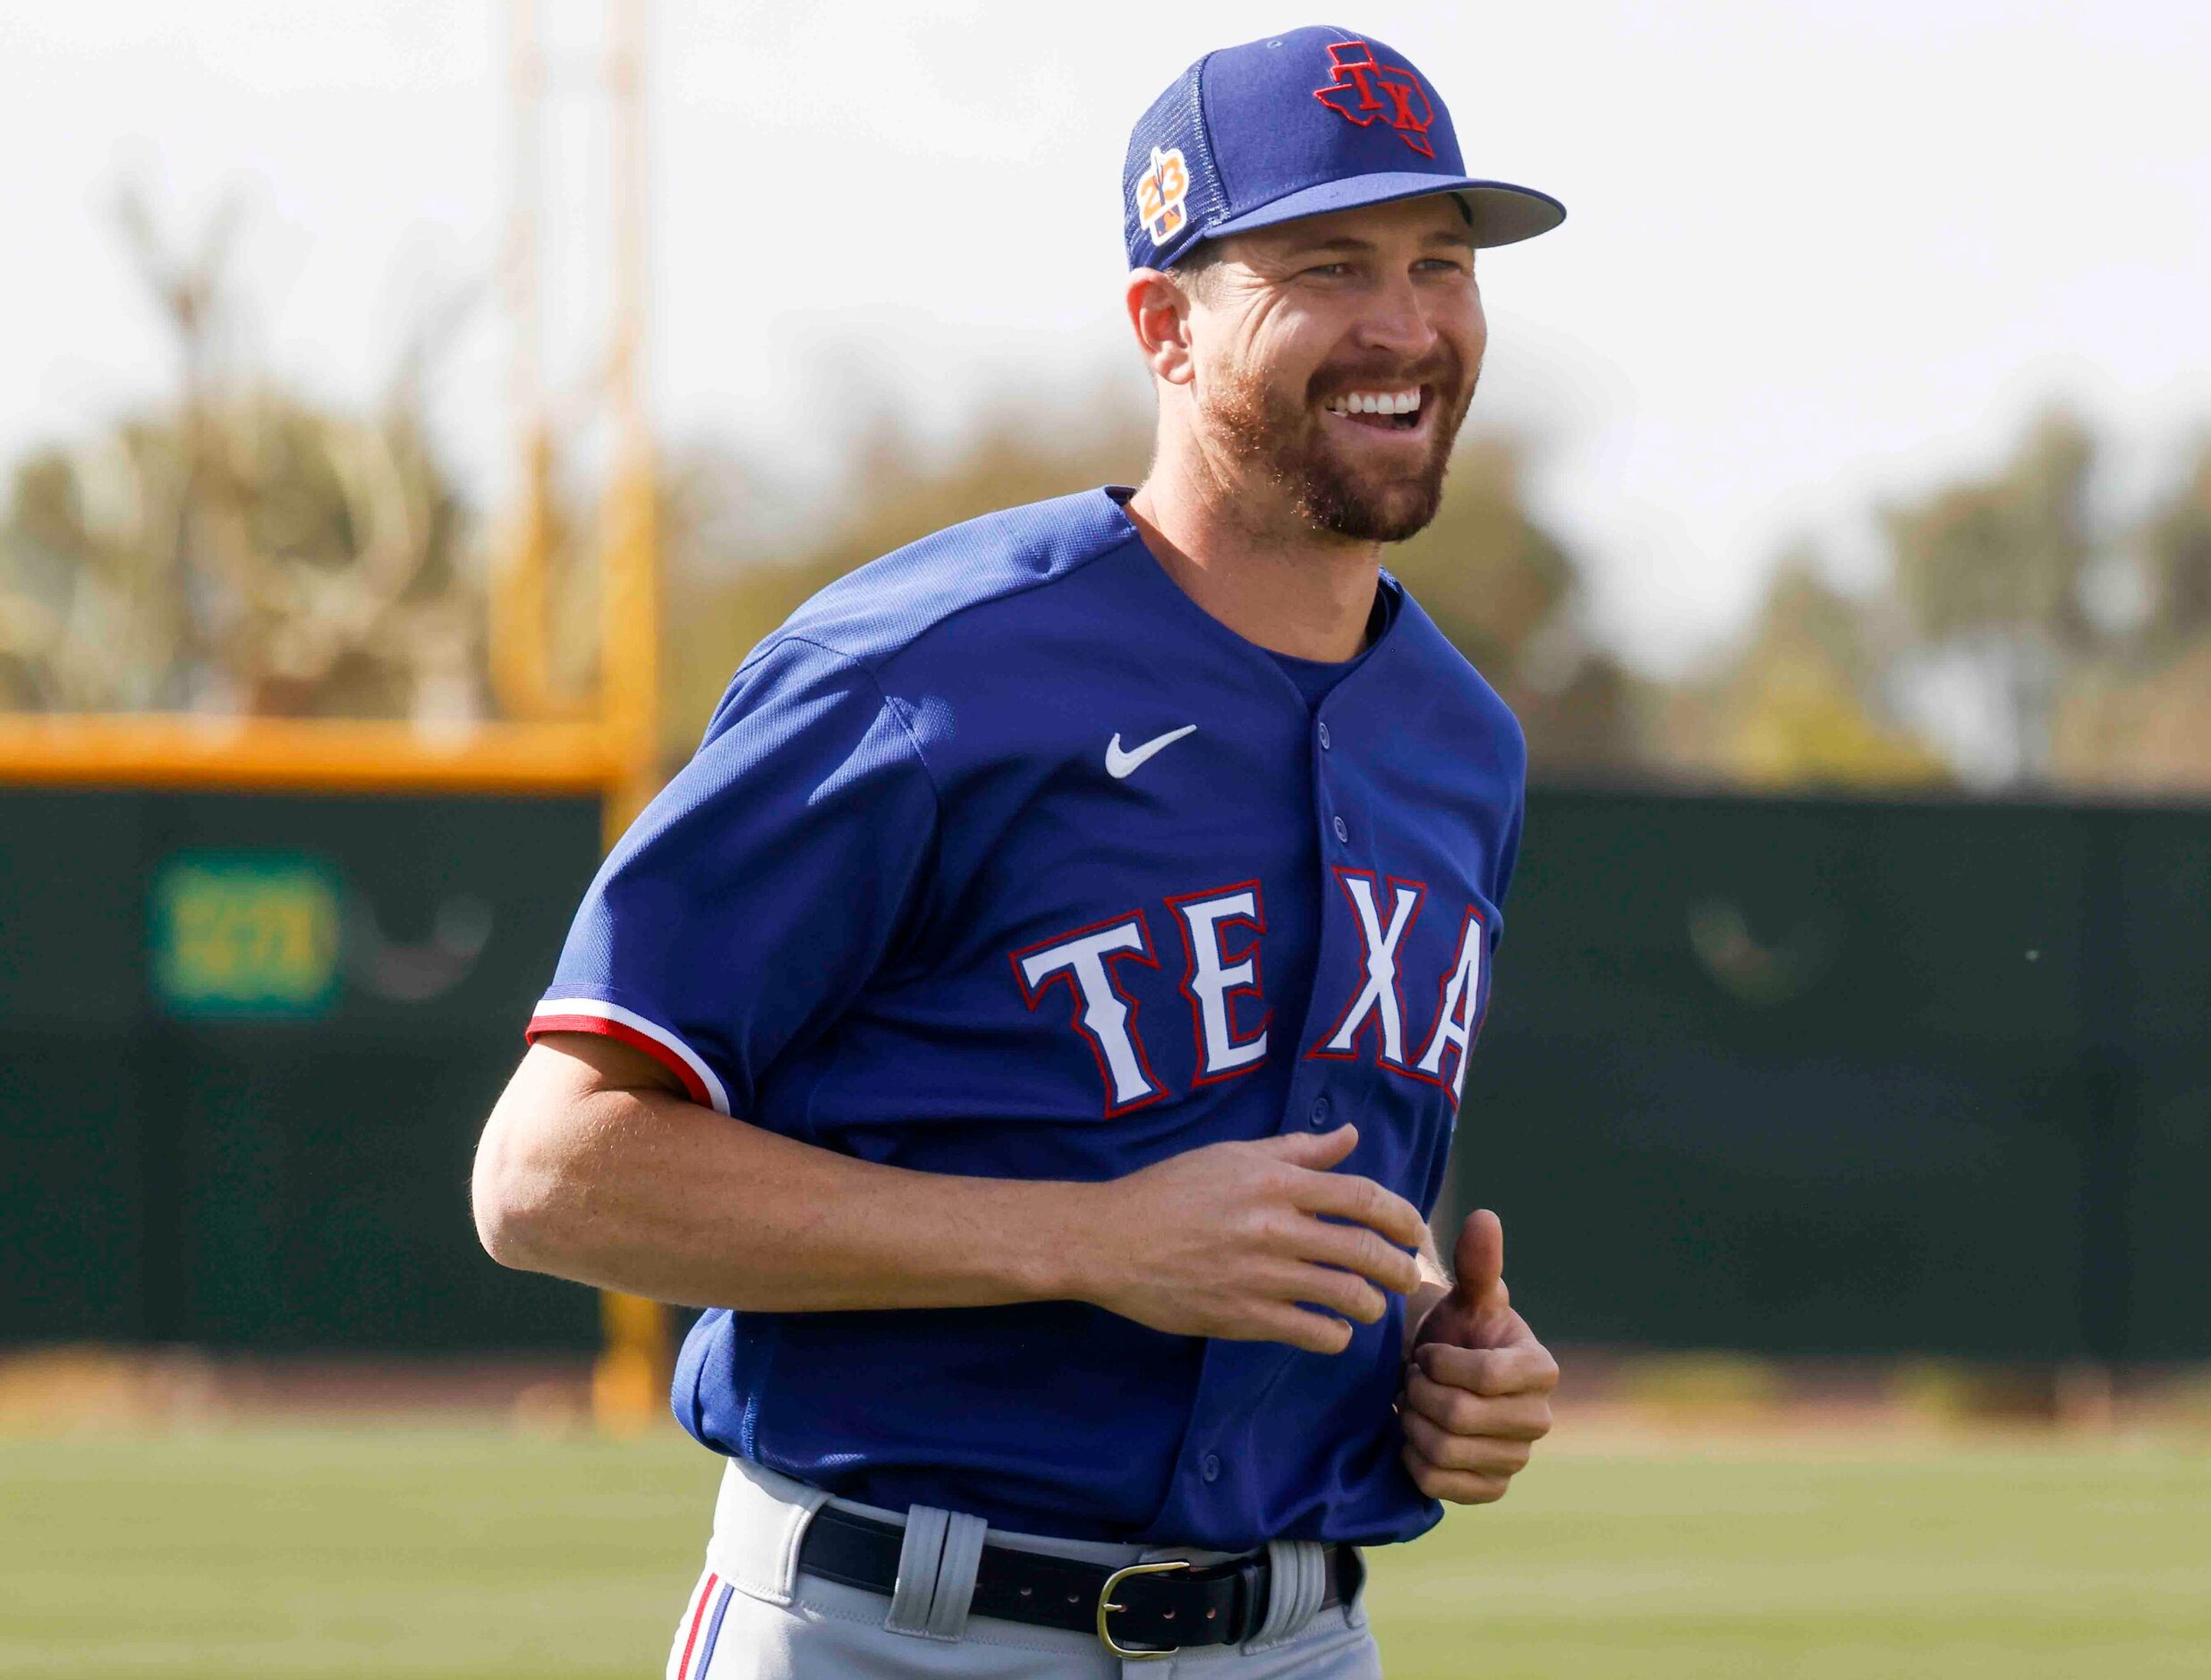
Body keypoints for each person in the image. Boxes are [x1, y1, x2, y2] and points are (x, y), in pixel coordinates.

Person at [472, 25, 1567, 1677]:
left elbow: (1305, 1170)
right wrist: (1089, 1238)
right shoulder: (925, 667)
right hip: (883, 1622)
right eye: (1327, 264)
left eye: (1440, 262)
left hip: (1294, 1631)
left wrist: (1434, 1347)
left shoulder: (1460, 740)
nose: (1404, 322)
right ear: (1165, 327)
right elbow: (548, 1174)